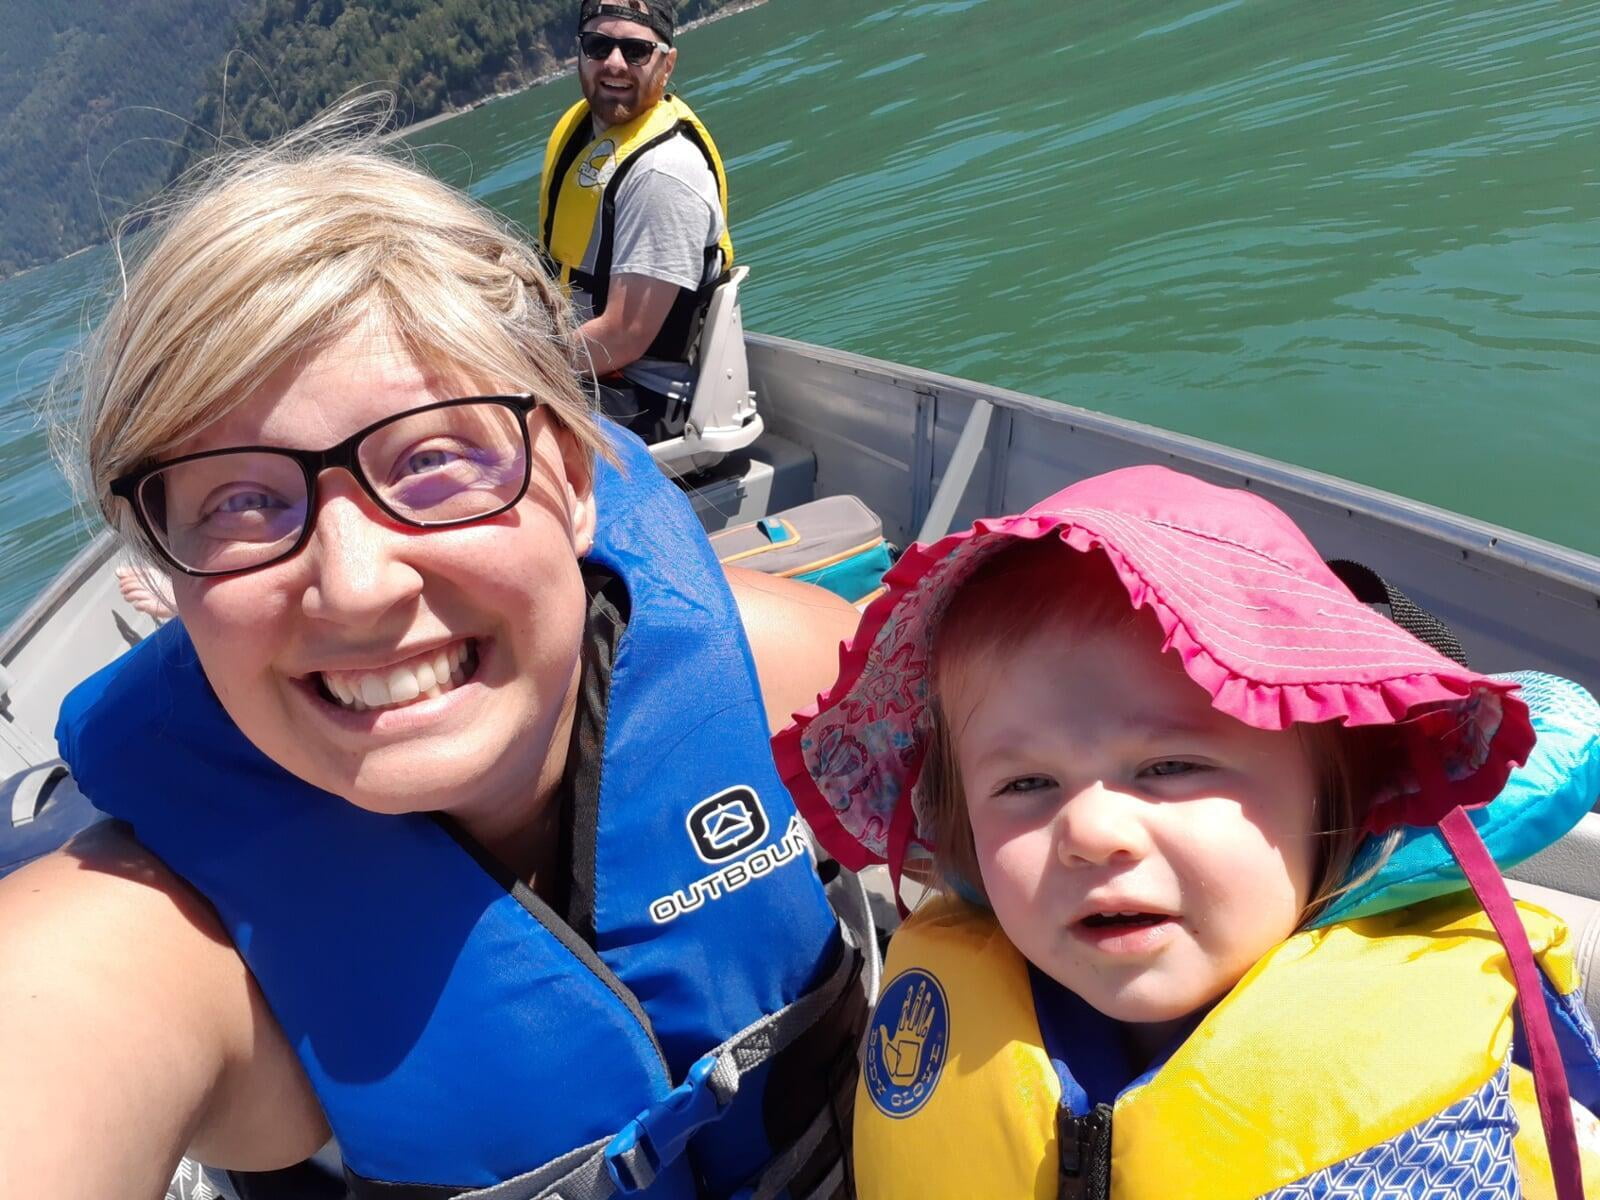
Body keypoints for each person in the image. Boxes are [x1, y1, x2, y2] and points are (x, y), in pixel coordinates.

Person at [0, 117, 870, 1200]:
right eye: (239, 502)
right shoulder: (160, 936)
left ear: (576, 470)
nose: (358, 586)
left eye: (436, 458)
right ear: (171, 576)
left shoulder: (795, 680)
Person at [775, 467, 1600, 1199]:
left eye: (1171, 767)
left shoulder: (1464, 1113)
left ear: (1335, 796)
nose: (1091, 832)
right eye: (1025, 784)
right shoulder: (954, 1005)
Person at [539, 0, 734, 441]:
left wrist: (512, 365)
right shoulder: (584, 135)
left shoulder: (663, 173)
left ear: (666, 65)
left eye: (636, 51)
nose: (614, 63)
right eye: (598, 45)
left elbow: (623, 336)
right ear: (580, 54)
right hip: (588, 376)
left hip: (642, 402)